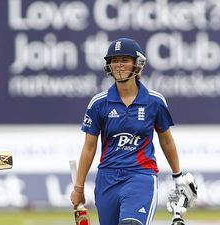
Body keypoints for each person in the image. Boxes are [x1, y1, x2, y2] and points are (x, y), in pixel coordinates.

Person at [70, 38, 197, 225]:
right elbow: (89, 147)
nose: (119, 65)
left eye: (124, 60)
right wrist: (79, 188)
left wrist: (177, 176)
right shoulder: (99, 103)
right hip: (107, 179)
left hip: (141, 176)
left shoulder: (155, 101)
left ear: (137, 64)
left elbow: (166, 140)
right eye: (114, 60)